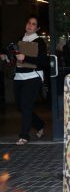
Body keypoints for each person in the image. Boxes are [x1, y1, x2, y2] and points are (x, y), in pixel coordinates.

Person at [4, 15, 48, 145]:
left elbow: (43, 61)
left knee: (26, 106)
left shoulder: (39, 42)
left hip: (33, 76)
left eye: (33, 24)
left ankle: (24, 136)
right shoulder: (20, 39)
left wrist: (26, 58)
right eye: (29, 22)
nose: (30, 25)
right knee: (20, 107)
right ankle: (39, 124)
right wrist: (7, 58)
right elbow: (15, 58)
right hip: (19, 76)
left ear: (37, 28)